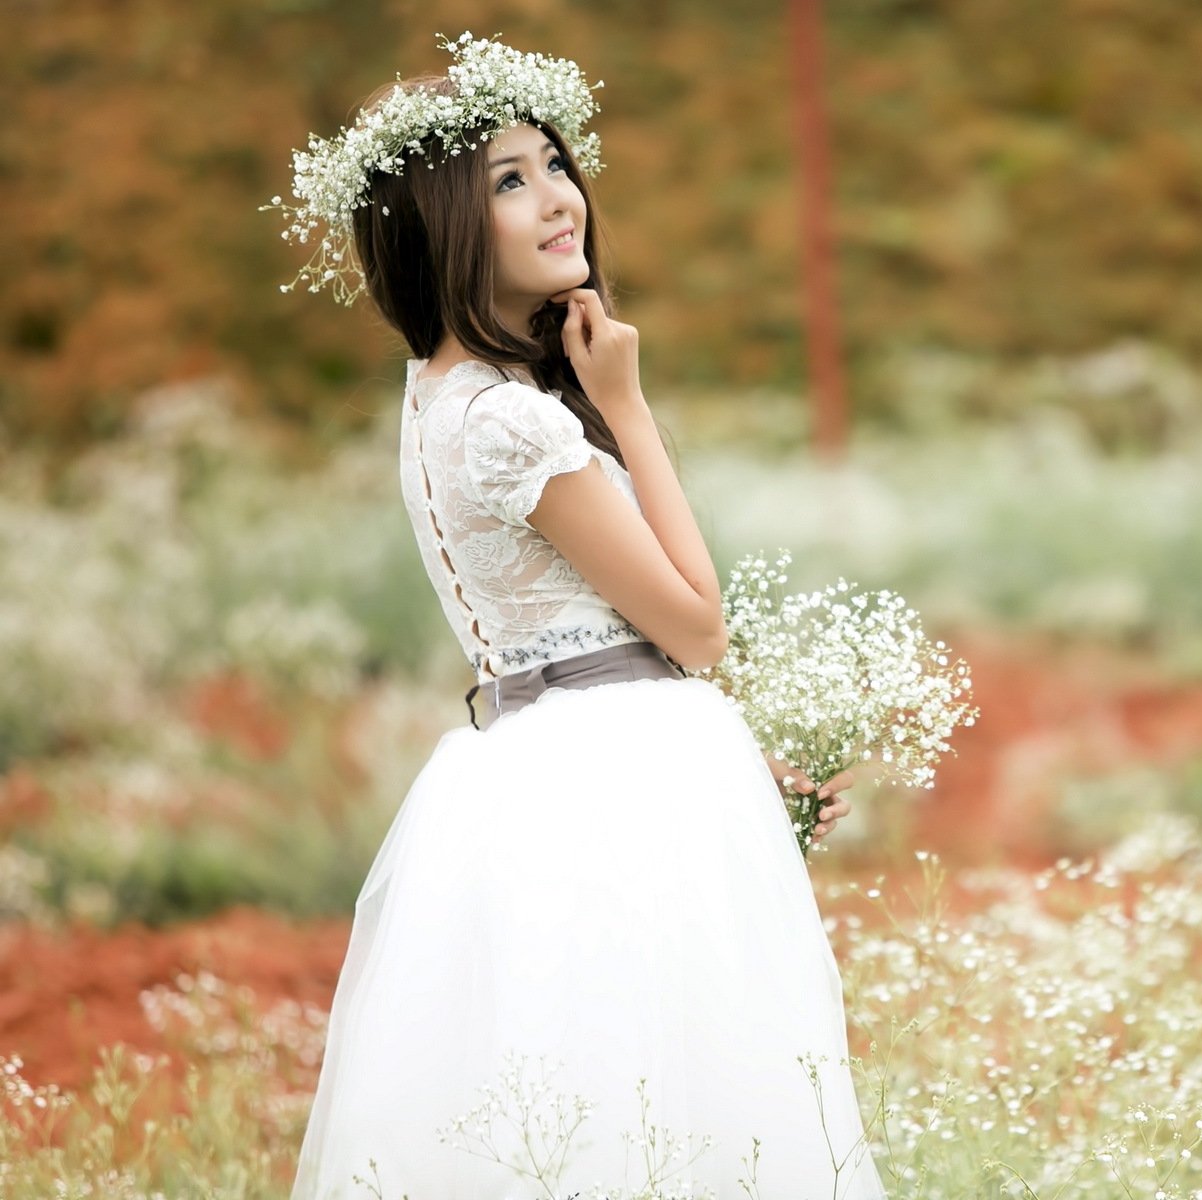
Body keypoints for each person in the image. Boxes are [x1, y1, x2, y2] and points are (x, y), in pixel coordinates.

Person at [267, 33, 887, 1200]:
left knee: (588, 1083)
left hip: (535, 753)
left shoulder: (434, 394)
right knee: (672, 1089)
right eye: (509, 180)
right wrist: (628, 409)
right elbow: (697, 628)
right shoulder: (511, 423)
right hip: (615, 771)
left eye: (554, 163)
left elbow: (586, 625)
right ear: (442, 219)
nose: (559, 199)